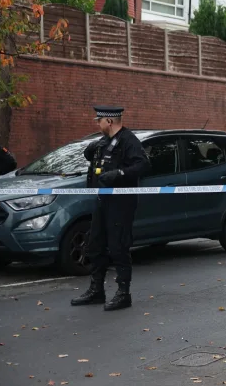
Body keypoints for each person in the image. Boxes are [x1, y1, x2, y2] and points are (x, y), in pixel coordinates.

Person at [71, 106, 150, 311]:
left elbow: (142, 165)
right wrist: (92, 148)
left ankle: (124, 294)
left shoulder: (128, 140)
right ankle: (96, 290)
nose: (97, 125)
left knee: (118, 247)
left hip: (121, 203)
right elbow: (95, 160)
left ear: (109, 121)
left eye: (99, 121)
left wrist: (120, 174)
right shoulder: (104, 141)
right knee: (95, 245)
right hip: (102, 200)